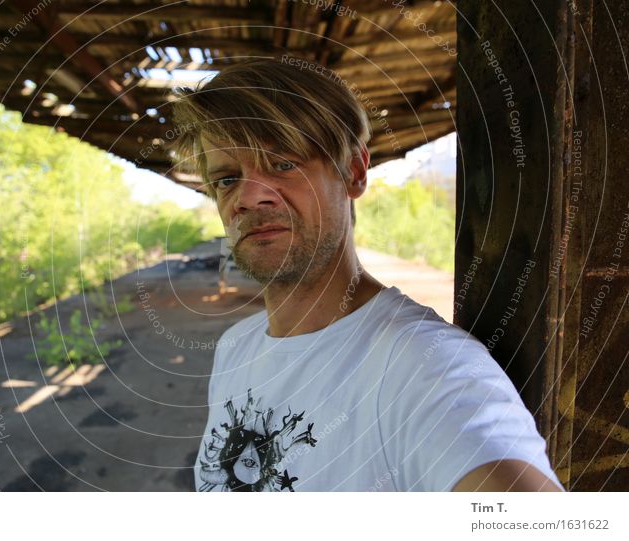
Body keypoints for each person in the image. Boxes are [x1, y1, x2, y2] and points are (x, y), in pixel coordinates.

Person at [169, 57, 563, 492]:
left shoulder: (426, 367)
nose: (249, 196)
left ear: (354, 172)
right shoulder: (235, 348)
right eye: (227, 178)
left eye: (283, 164)